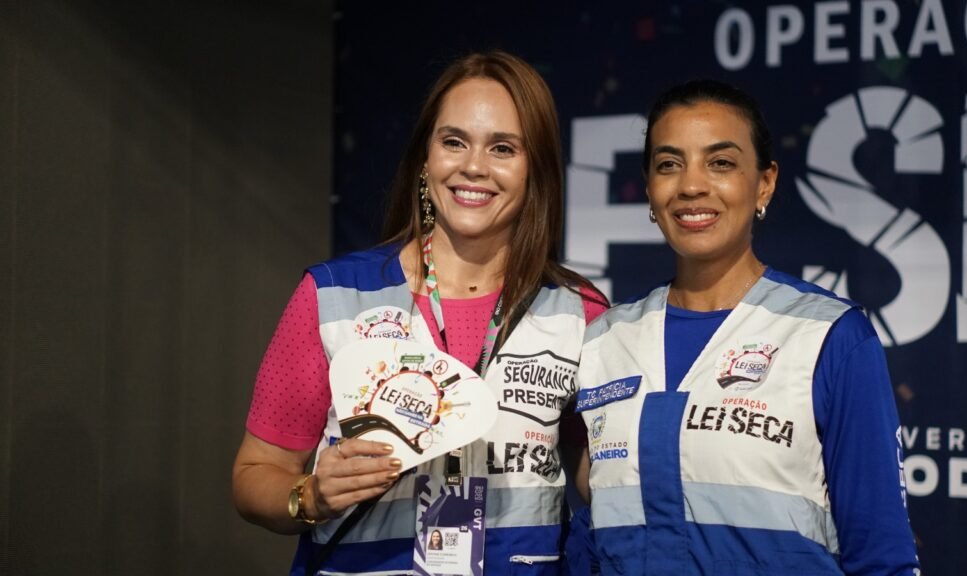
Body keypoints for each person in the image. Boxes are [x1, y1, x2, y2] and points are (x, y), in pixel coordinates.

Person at [232, 50, 606, 576]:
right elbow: (255, 473)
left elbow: (605, 478)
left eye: (503, 148)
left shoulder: (577, 311)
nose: (473, 166)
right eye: (453, 141)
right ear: (425, 159)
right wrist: (310, 496)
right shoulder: (336, 295)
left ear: (536, 169)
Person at [574, 80, 920, 575]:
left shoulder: (829, 336)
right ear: (649, 189)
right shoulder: (606, 339)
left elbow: (882, 558)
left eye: (720, 162)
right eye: (669, 164)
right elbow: (594, 538)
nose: (692, 185)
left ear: (764, 183)